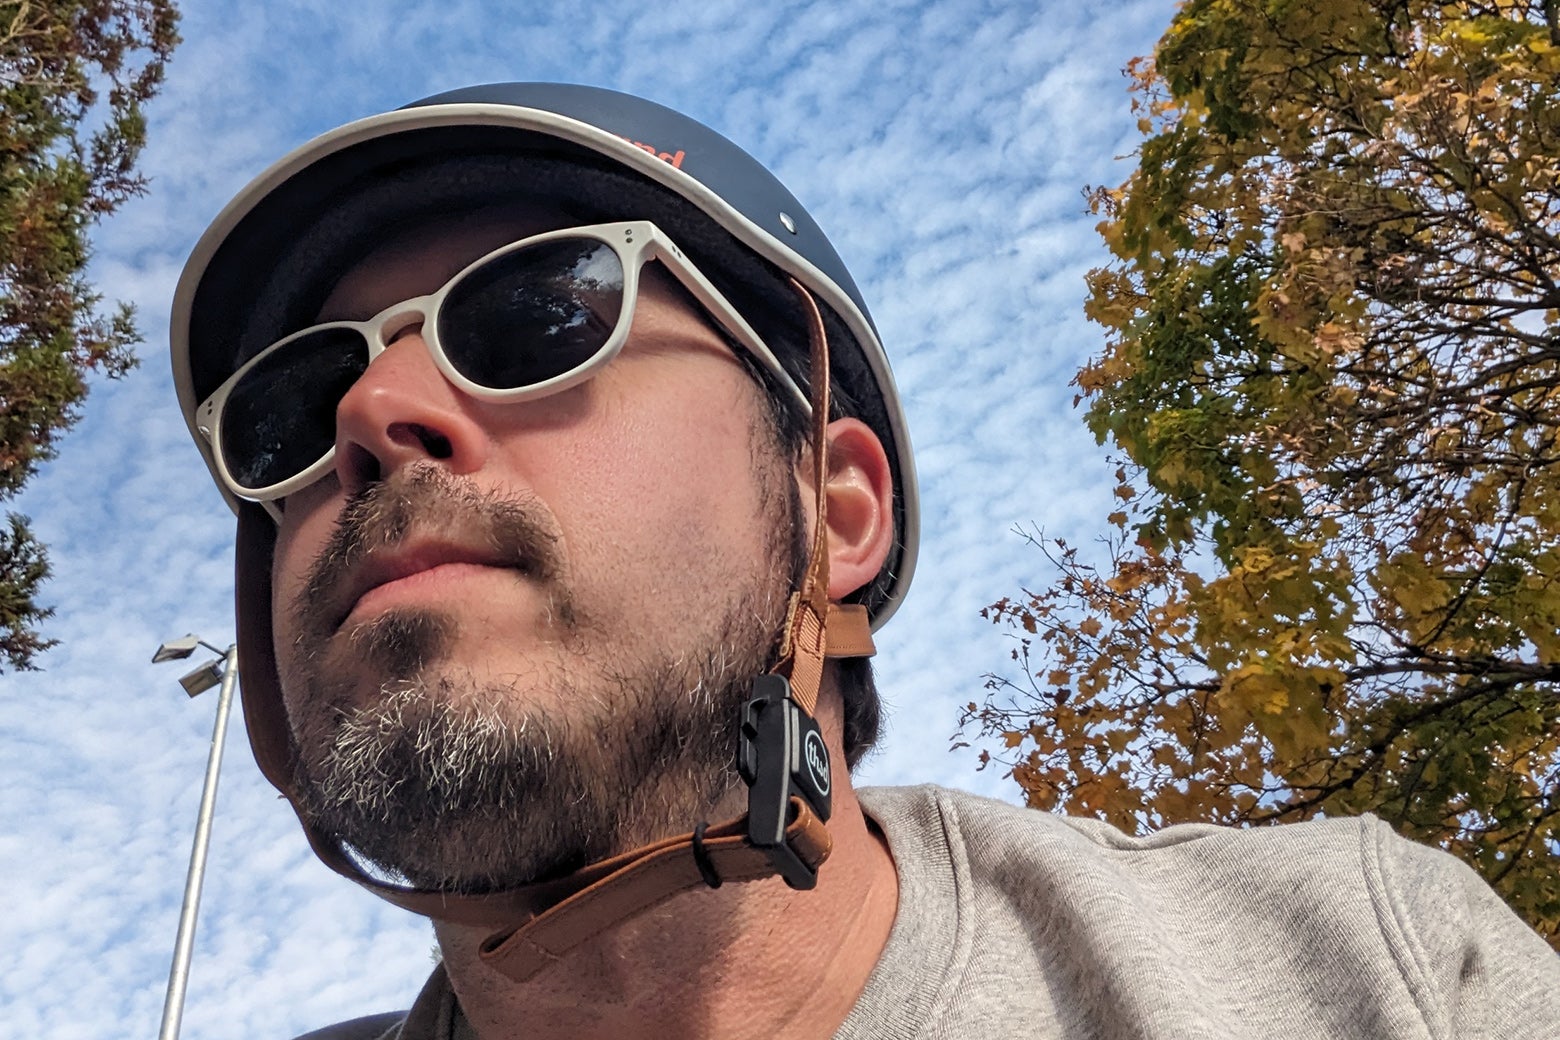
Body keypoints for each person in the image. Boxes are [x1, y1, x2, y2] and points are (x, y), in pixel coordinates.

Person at [169, 83, 1560, 1040]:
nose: (368, 417)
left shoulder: (1361, 972)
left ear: (838, 513)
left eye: (536, 316)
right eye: (293, 408)